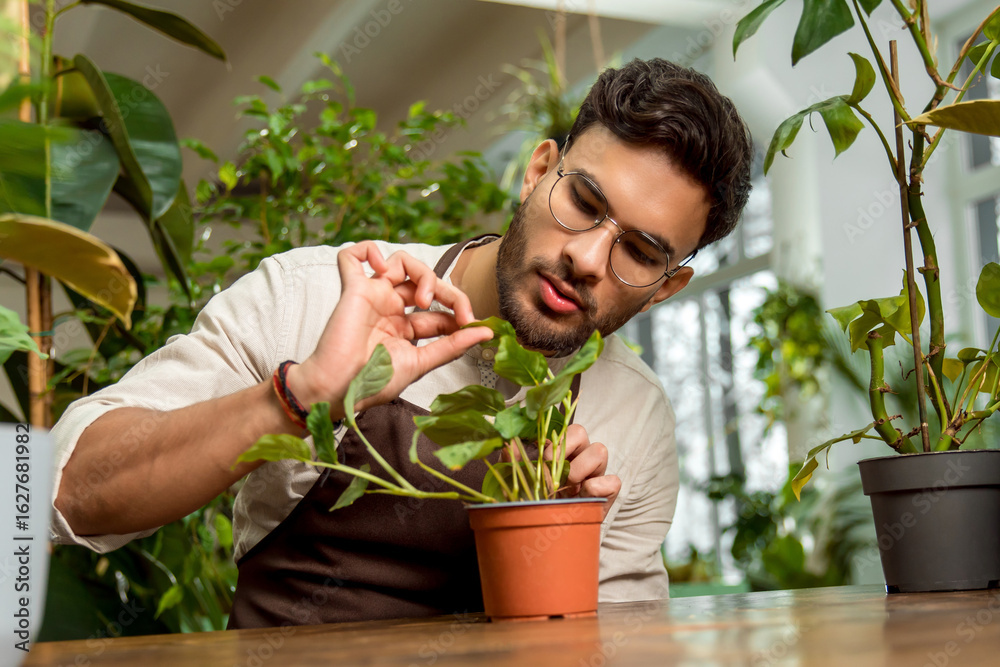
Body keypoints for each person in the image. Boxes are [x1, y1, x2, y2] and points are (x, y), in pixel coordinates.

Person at [50, 58, 753, 628]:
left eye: (637, 249)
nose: (591, 258)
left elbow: (618, 645)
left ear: (665, 287)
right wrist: (302, 399)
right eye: (584, 203)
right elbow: (72, 491)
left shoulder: (635, 416)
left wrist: (558, 538)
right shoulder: (315, 295)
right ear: (539, 170)